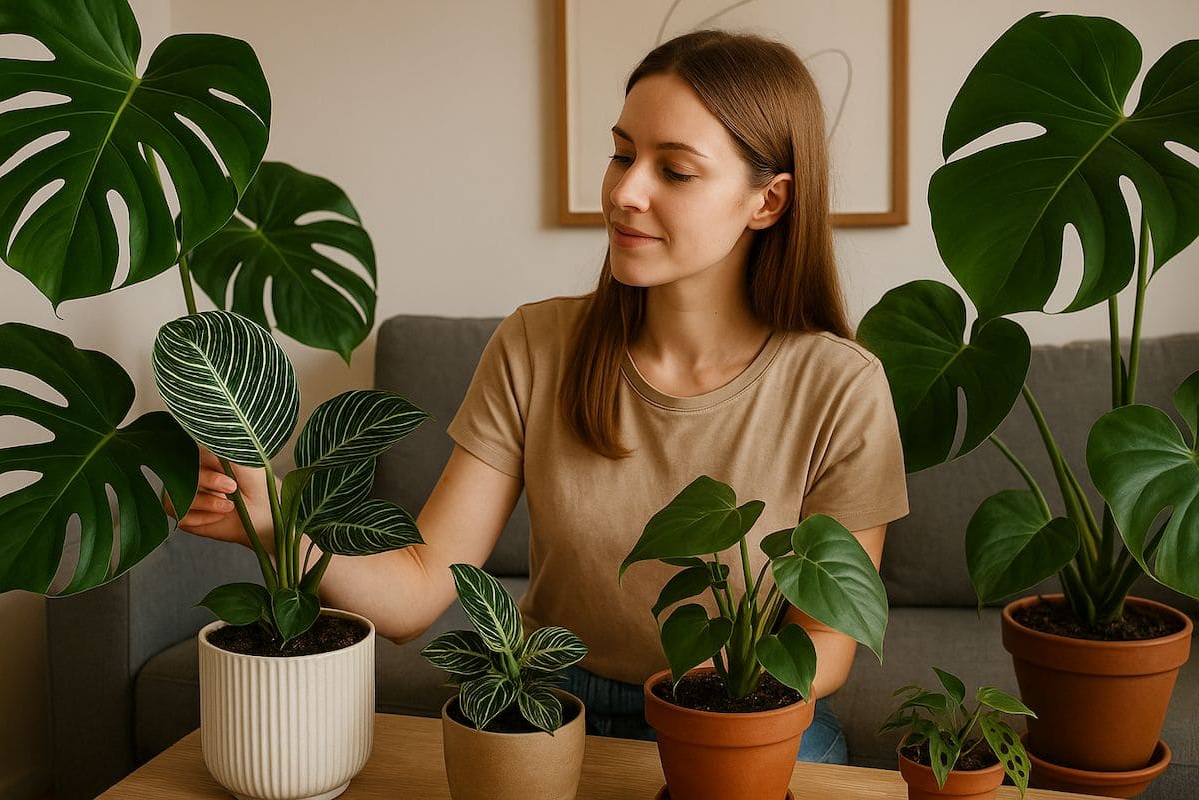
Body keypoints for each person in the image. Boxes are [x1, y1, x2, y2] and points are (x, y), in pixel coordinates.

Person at [173, 30, 908, 765]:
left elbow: (824, 643)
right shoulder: (536, 345)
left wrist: (710, 710)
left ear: (768, 201)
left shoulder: (841, 387)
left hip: (748, 715)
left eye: (675, 171)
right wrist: (273, 522)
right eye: (622, 153)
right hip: (553, 705)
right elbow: (419, 591)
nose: (624, 191)